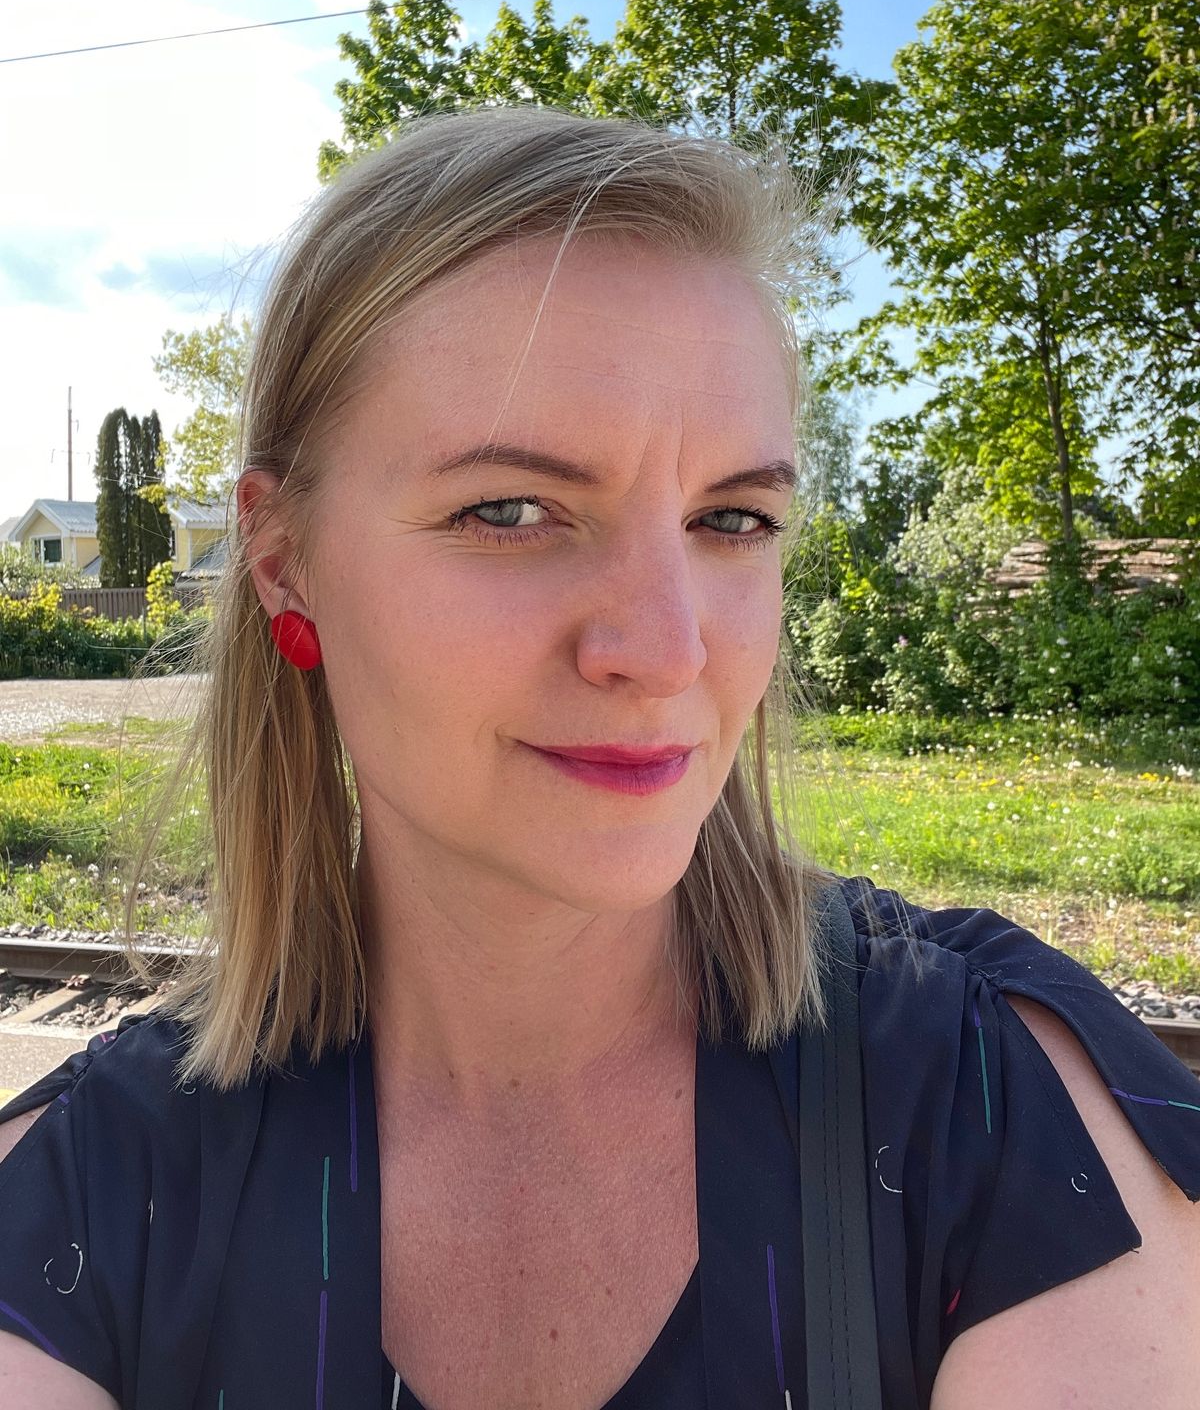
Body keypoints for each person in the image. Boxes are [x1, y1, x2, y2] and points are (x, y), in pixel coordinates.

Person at [0, 106, 1197, 1410]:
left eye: (733, 518)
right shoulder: (83, 1203)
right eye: (512, 510)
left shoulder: (995, 1109)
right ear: (285, 562)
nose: (669, 650)